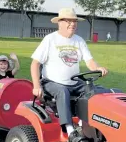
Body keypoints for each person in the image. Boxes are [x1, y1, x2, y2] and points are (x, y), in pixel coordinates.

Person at [30, 8, 116, 141]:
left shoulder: (79, 40)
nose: (72, 24)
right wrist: (36, 86)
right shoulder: (50, 39)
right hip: (52, 82)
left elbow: (89, 61)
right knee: (62, 91)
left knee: (94, 91)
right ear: (60, 23)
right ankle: (70, 131)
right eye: (68, 21)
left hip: (74, 82)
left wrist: (97, 68)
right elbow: (35, 64)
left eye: (74, 21)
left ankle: (89, 124)